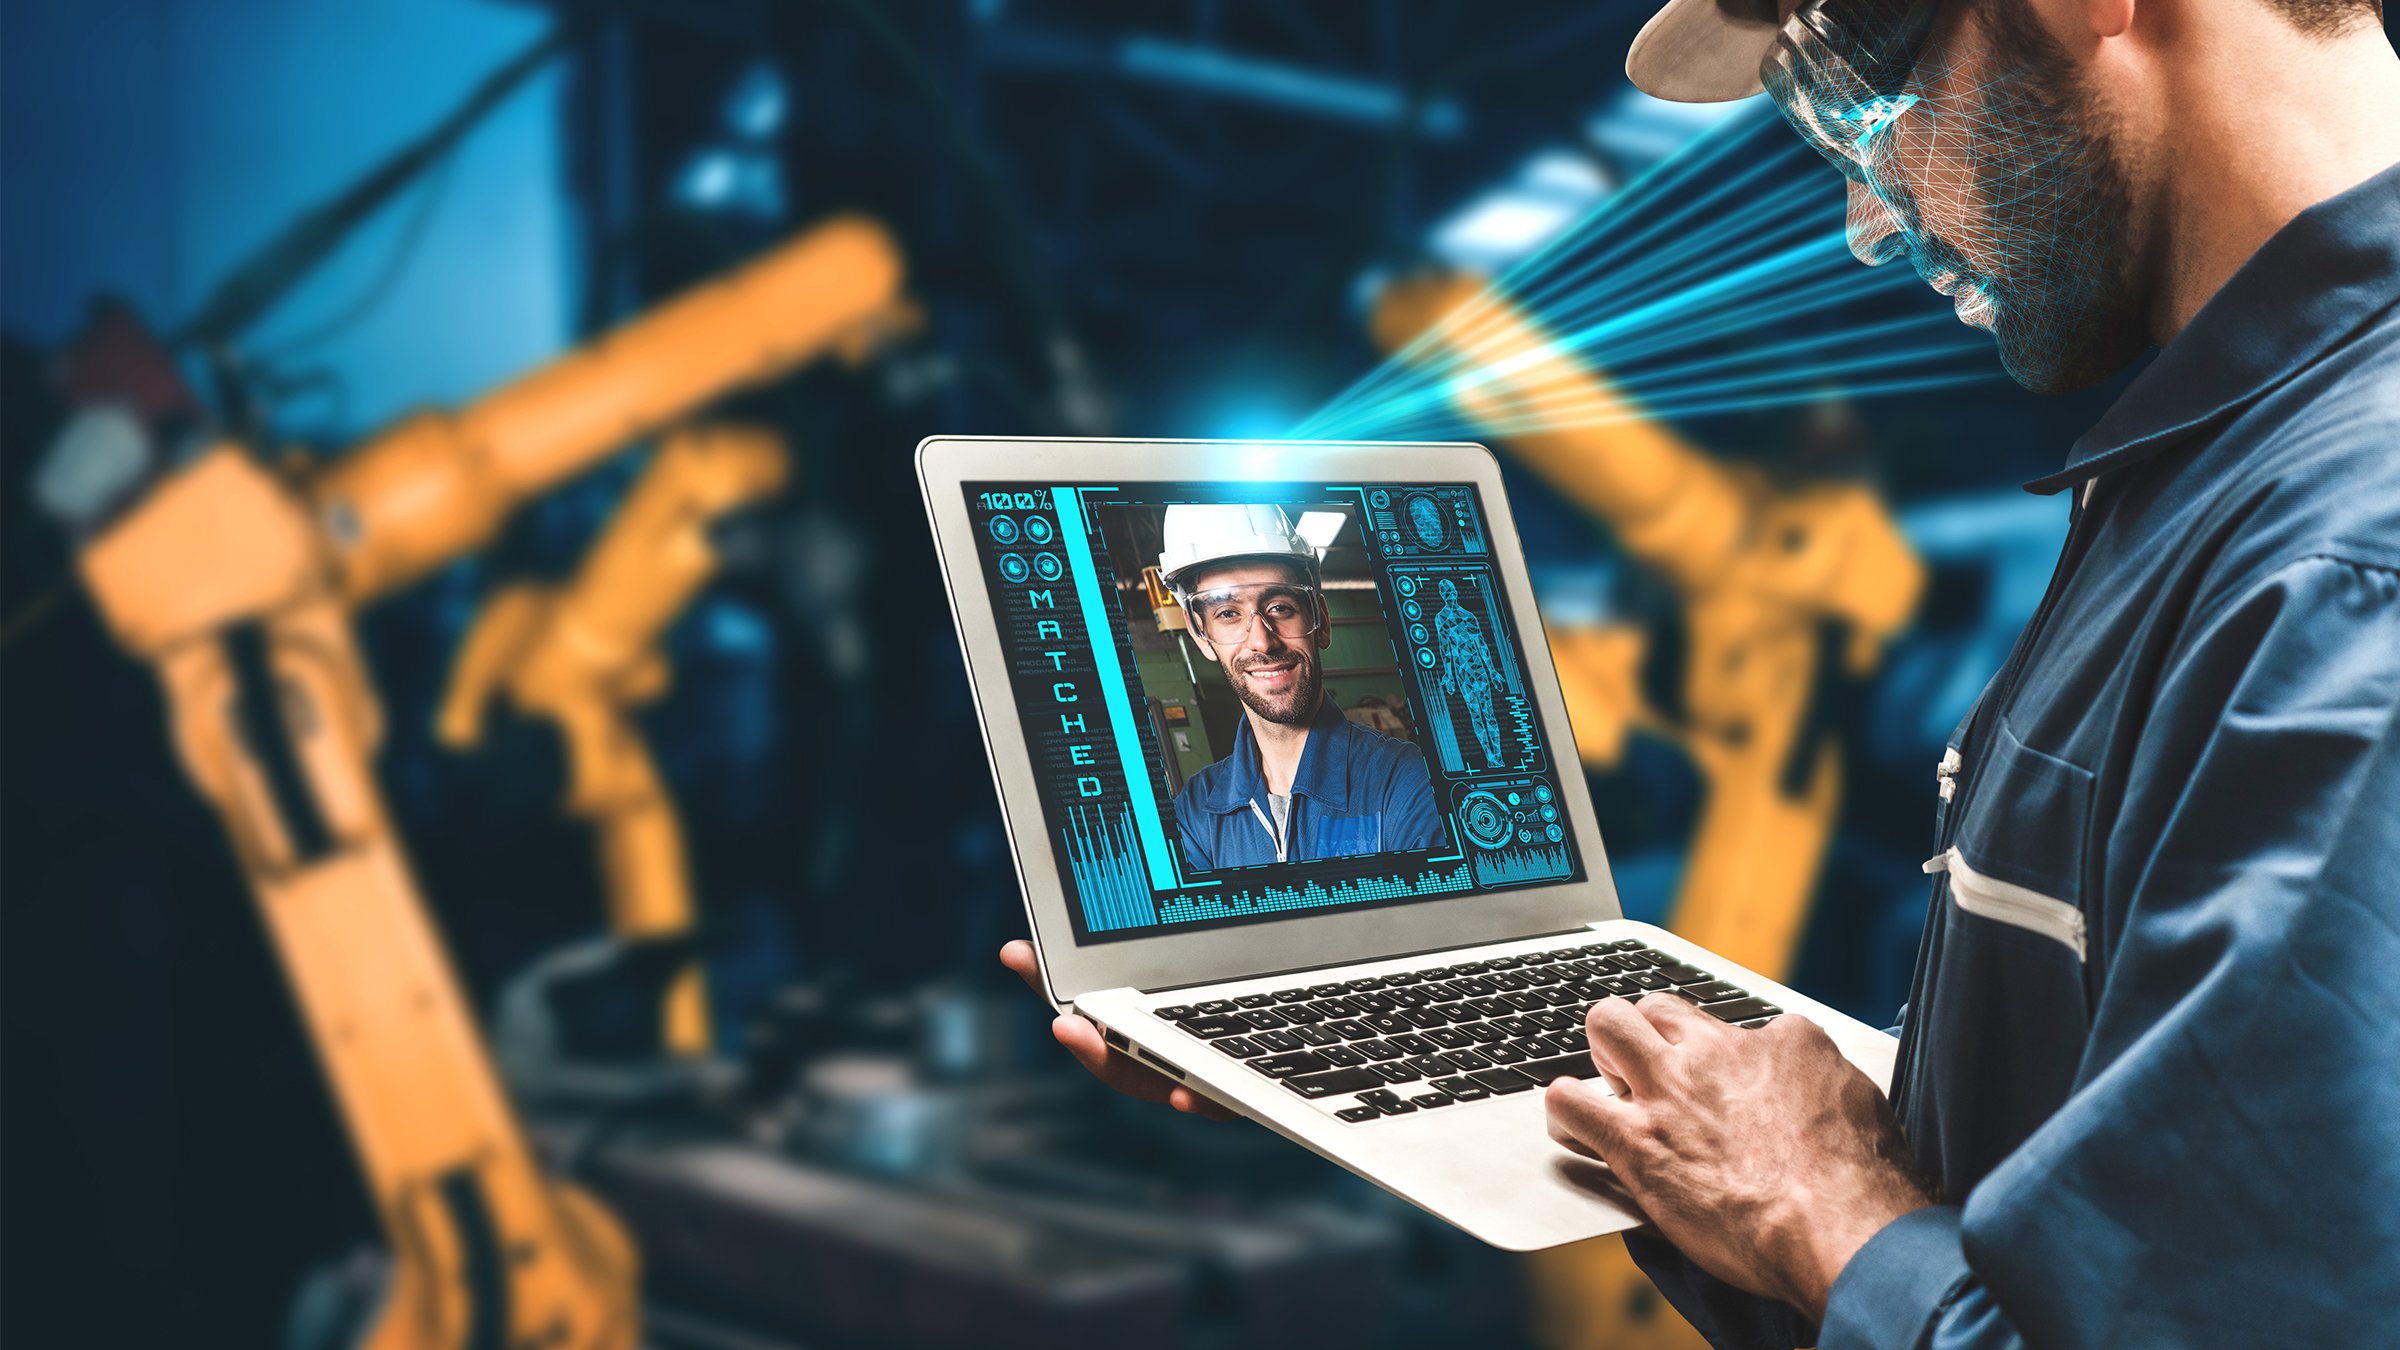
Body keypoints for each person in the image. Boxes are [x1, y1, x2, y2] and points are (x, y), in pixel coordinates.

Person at [1009, 0, 2400, 1339]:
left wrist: (1815, 1206)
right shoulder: (2209, 476)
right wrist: (1423, 1082)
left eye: (1871, 98)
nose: (1871, 219)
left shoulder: (2350, 568)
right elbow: (2060, 1184)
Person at [1154, 503, 1444, 869]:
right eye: (1228, 614)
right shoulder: (1195, 812)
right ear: (1201, 636)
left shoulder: (1407, 783)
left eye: (1280, 607)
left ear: (1320, 621)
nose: (1261, 641)